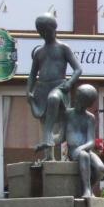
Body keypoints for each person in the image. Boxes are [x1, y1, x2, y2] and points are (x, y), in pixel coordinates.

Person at [27, 13, 81, 159]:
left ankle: (47, 138)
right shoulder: (39, 52)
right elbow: (32, 75)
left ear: (53, 29)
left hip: (59, 87)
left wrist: (69, 83)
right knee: (44, 120)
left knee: (53, 99)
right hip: (42, 88)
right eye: (41, 32)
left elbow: (78, 69)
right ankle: (49, 156)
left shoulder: (63, 48)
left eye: (46, 30)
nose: (44, 34)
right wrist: (29, 91)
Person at [63, 84, 104, 199]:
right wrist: (48, 140)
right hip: (73, 152)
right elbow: (61, 136)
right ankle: (86, 190)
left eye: (81, 102)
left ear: (87, 104)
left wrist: (81, 148)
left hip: (84, 150)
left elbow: (91, 141)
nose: (77, 103)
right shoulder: (68, 114)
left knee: (101, 168)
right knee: (83, 156)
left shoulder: (89, 118)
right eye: (77, 99)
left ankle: (88, 187)